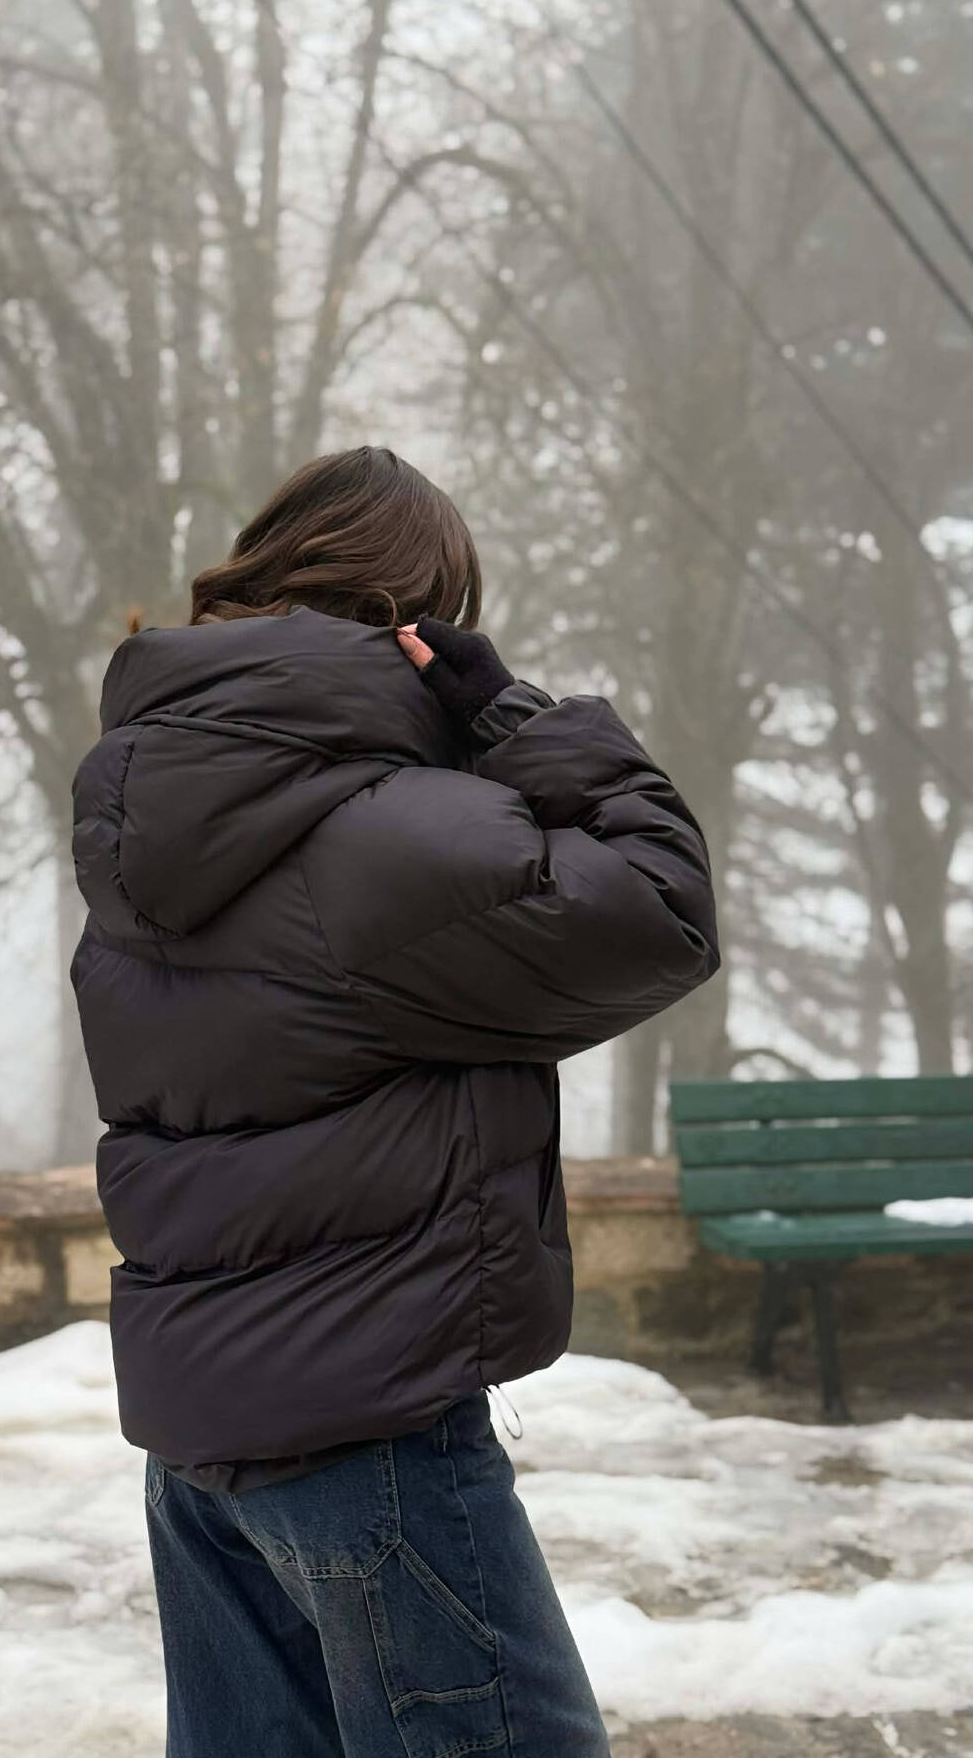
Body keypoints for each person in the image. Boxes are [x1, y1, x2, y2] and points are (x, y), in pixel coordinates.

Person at [69, 445, 720, 1757]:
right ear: (420, 618)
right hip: (369, 1437)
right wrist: (516, 720)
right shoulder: (386, 834)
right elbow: (663, 912)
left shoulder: (152, 818)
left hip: (204, 1451)